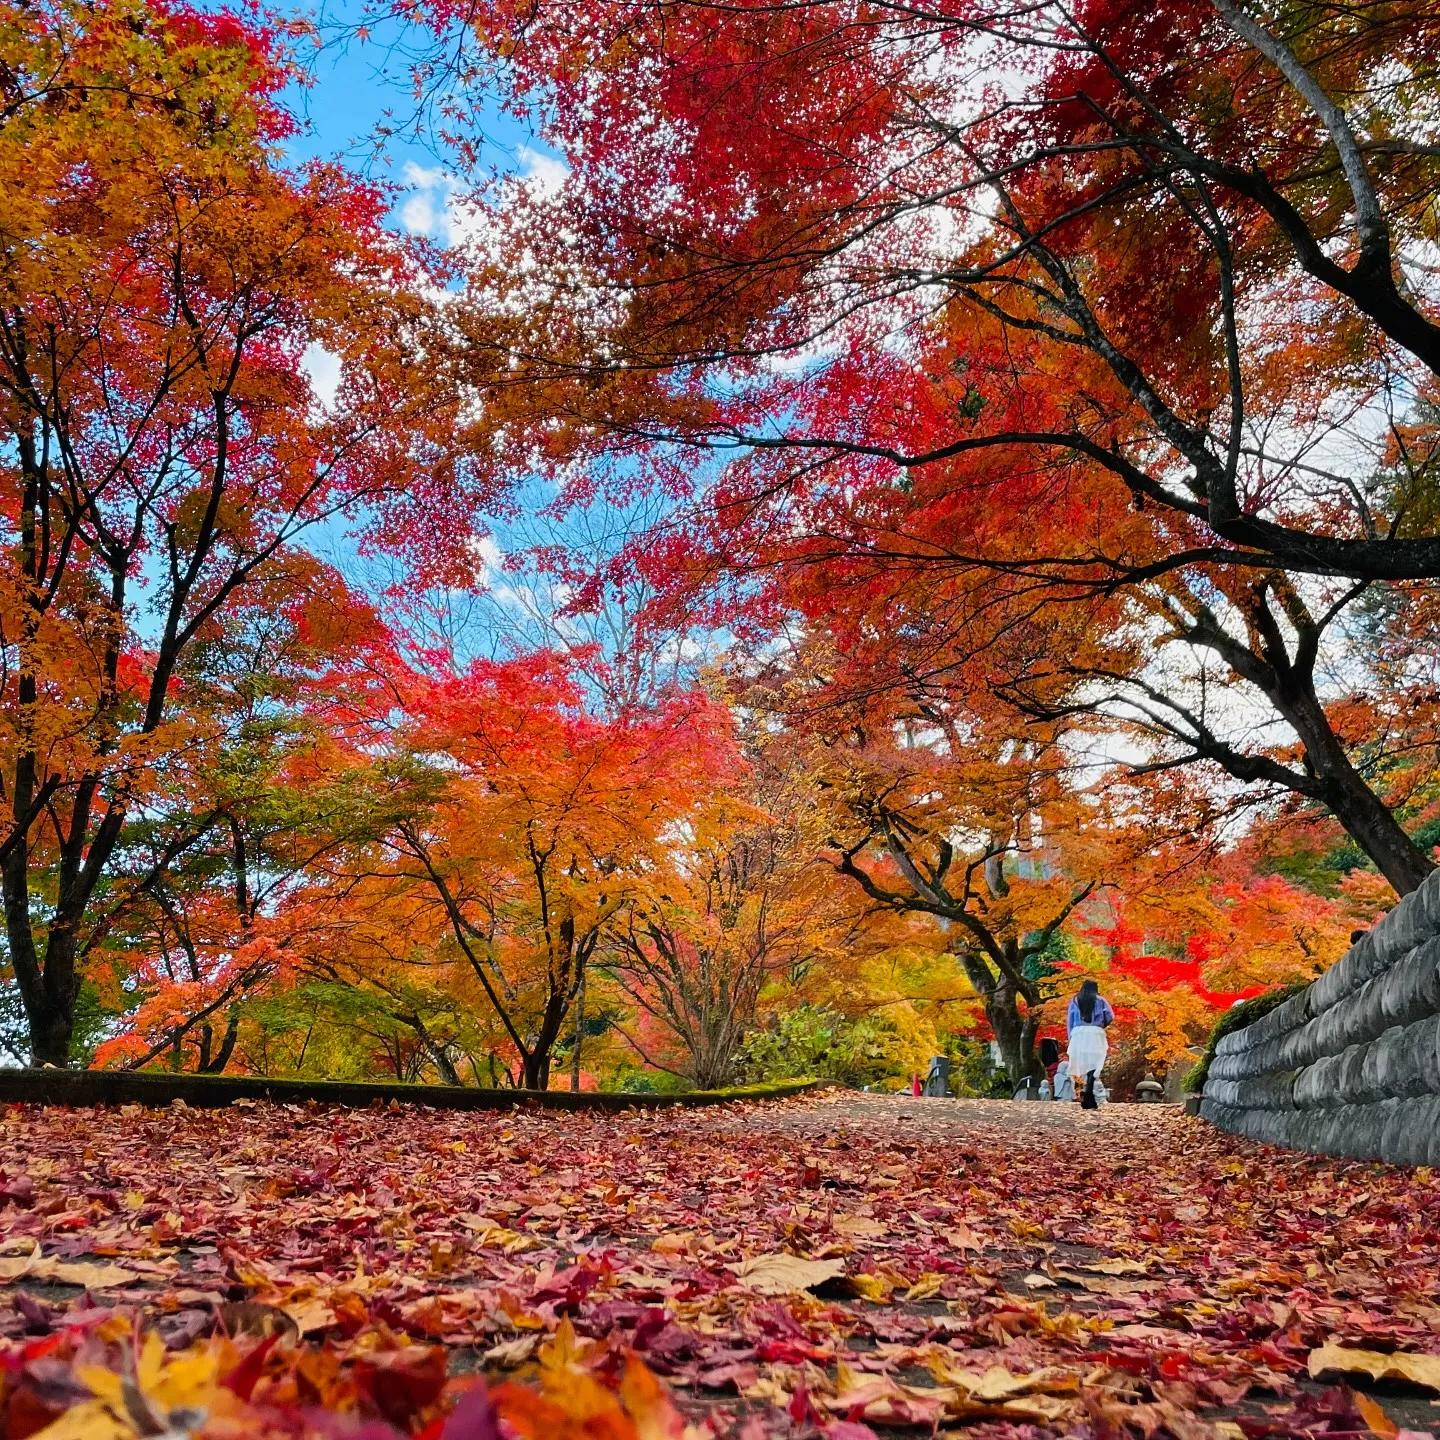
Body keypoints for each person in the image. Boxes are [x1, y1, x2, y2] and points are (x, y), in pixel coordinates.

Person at [1067, 979, 1114, 1110]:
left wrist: (1070, 1036)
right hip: (1095, 1032)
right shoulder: (1100, 1000)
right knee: (1095, 1063)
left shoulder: (1075, 1000)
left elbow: (1070, 1020)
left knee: (1086, 1063)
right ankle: (1089, 1093)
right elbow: (1110, 1016)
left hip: (1078, 1033)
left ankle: (1088, 1093)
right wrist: (1102, 1024)